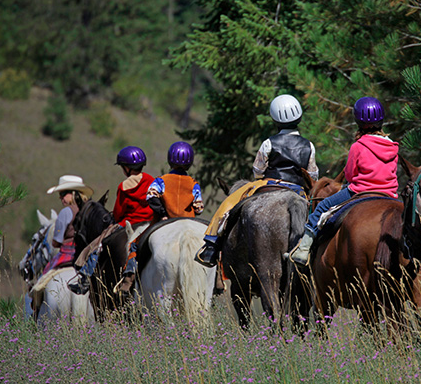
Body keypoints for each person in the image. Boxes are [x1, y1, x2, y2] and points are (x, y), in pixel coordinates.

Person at [195, 94, 319, 268]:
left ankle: (211, 244)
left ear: (274, 119)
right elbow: (313, 175)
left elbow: (258, 170)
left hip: (268, 183)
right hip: (298, 189)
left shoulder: (269, 143)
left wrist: (259, 179)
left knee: (229, 202)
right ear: (299, 117)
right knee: (320, 214)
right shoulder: (309, 145)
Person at [289, 96, 399, 266]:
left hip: (360, 191)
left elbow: (349, 174)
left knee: (323, 206)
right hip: (390, 193)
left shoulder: (358, 146)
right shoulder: (392, 146)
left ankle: (304, 248)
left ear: (357, 121)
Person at [117, 141, 204, 295]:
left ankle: (128, 280)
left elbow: (151, 197)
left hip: (165, 221)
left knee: (135, 245)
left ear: (170, 160)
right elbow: (199, 207)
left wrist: (163, 214)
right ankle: (218, 281)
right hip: (189, 221)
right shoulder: (194, 184)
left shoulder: (161, 181)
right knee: (211, 246)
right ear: (190, 163)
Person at [68, 146, 155, 295]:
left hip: (128, 223)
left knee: (97, 244)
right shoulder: (152, 180)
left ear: (126, 168)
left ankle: (84, 278)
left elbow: (120, 212)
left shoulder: (124, 186)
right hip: (150, 222)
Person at [41, 175, 93, 275]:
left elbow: (57, 242)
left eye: (63, 193)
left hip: (68, 254)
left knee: (44, 277)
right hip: (86, 256)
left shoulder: (65, 212)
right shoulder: (88, 210)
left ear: (73, 193)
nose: (60, 197)